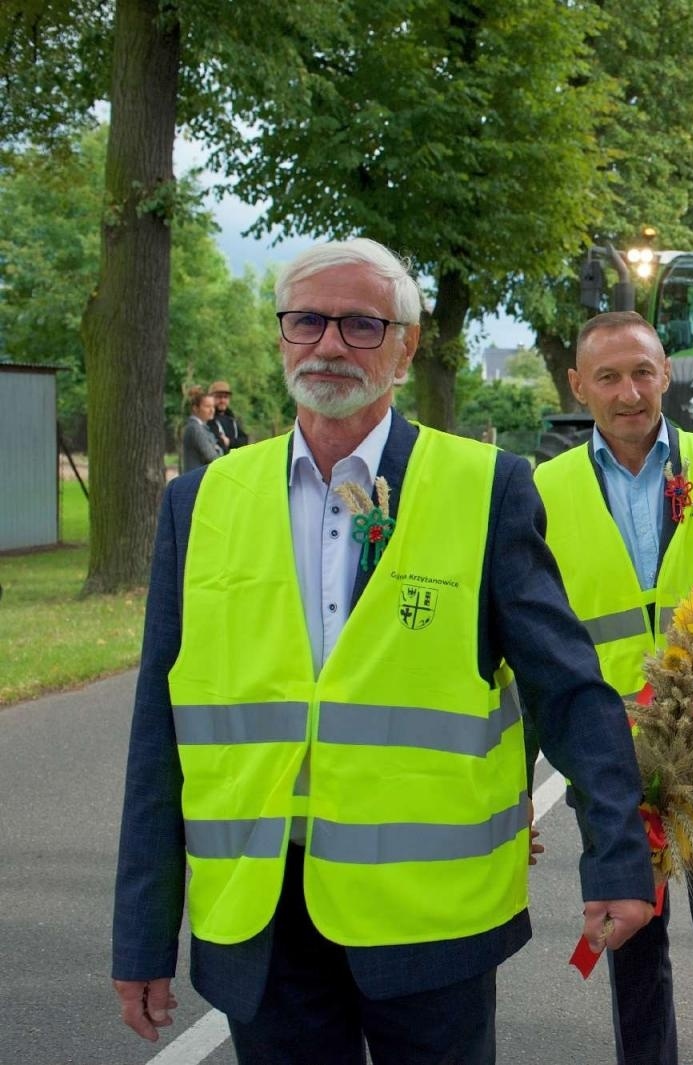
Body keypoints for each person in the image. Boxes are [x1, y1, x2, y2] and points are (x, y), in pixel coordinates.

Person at [113, 238, 655, 1064]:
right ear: (281, 338)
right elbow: (162, 729)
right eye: (307, 322)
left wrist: (618, 855)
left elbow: (569, 689)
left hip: (431, 923)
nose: (329, 343)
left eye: (361, 324)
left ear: (404, 348)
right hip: (262, 922)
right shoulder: (201, 503)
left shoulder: (486, 487)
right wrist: (142, 938)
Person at [535, 310, 693, 1065]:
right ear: (579, 386)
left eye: (642, 371)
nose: (629, 391)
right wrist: (509, 793)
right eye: (607, 375)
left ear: (666, 373)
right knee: (634, 953)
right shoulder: (542, 490)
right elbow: (524, 648)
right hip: (612, 761)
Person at [180, 386, 224, 473]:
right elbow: (212, 457)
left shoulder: (202, 427)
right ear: (195, 408)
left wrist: (217, 449)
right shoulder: (195, 428)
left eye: (213, 406)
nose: (212, 410)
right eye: (207, 406)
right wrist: (218, 449)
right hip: (195, 481)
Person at [209, 379, 249, 453]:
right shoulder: (209, 419)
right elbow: (218, 443)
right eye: (219, 397)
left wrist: (229, 442)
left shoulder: (232, 418)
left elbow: (245, 440)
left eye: (226, 397)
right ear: (210, 398)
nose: (223, 400)